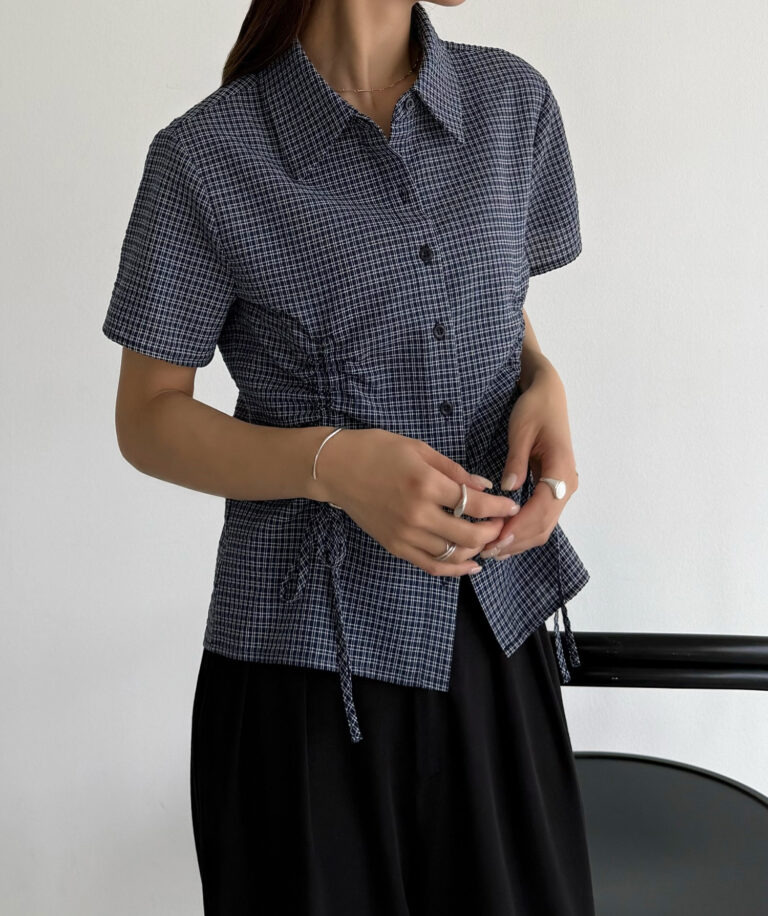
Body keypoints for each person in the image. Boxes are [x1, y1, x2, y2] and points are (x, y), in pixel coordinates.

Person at [102, 0, 595, 913]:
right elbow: (148, 418)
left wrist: (543, 379)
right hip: (304, 681)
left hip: (495, 646)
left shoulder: (511, 103)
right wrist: (331, 466)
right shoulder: (206, 157)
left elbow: (481, 294)